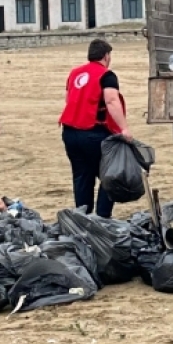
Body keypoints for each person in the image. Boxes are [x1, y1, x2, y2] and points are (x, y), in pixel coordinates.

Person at [59, 38, 128, 218]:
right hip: (93, 131)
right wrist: (124, 129)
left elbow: (68, 99)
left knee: (82, 176)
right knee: (109, 174)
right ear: (106, 56)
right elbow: (111, 101)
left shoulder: (74, 73)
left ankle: (83, 217)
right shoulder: (107, 75)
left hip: (69, 132)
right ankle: (102, 217)